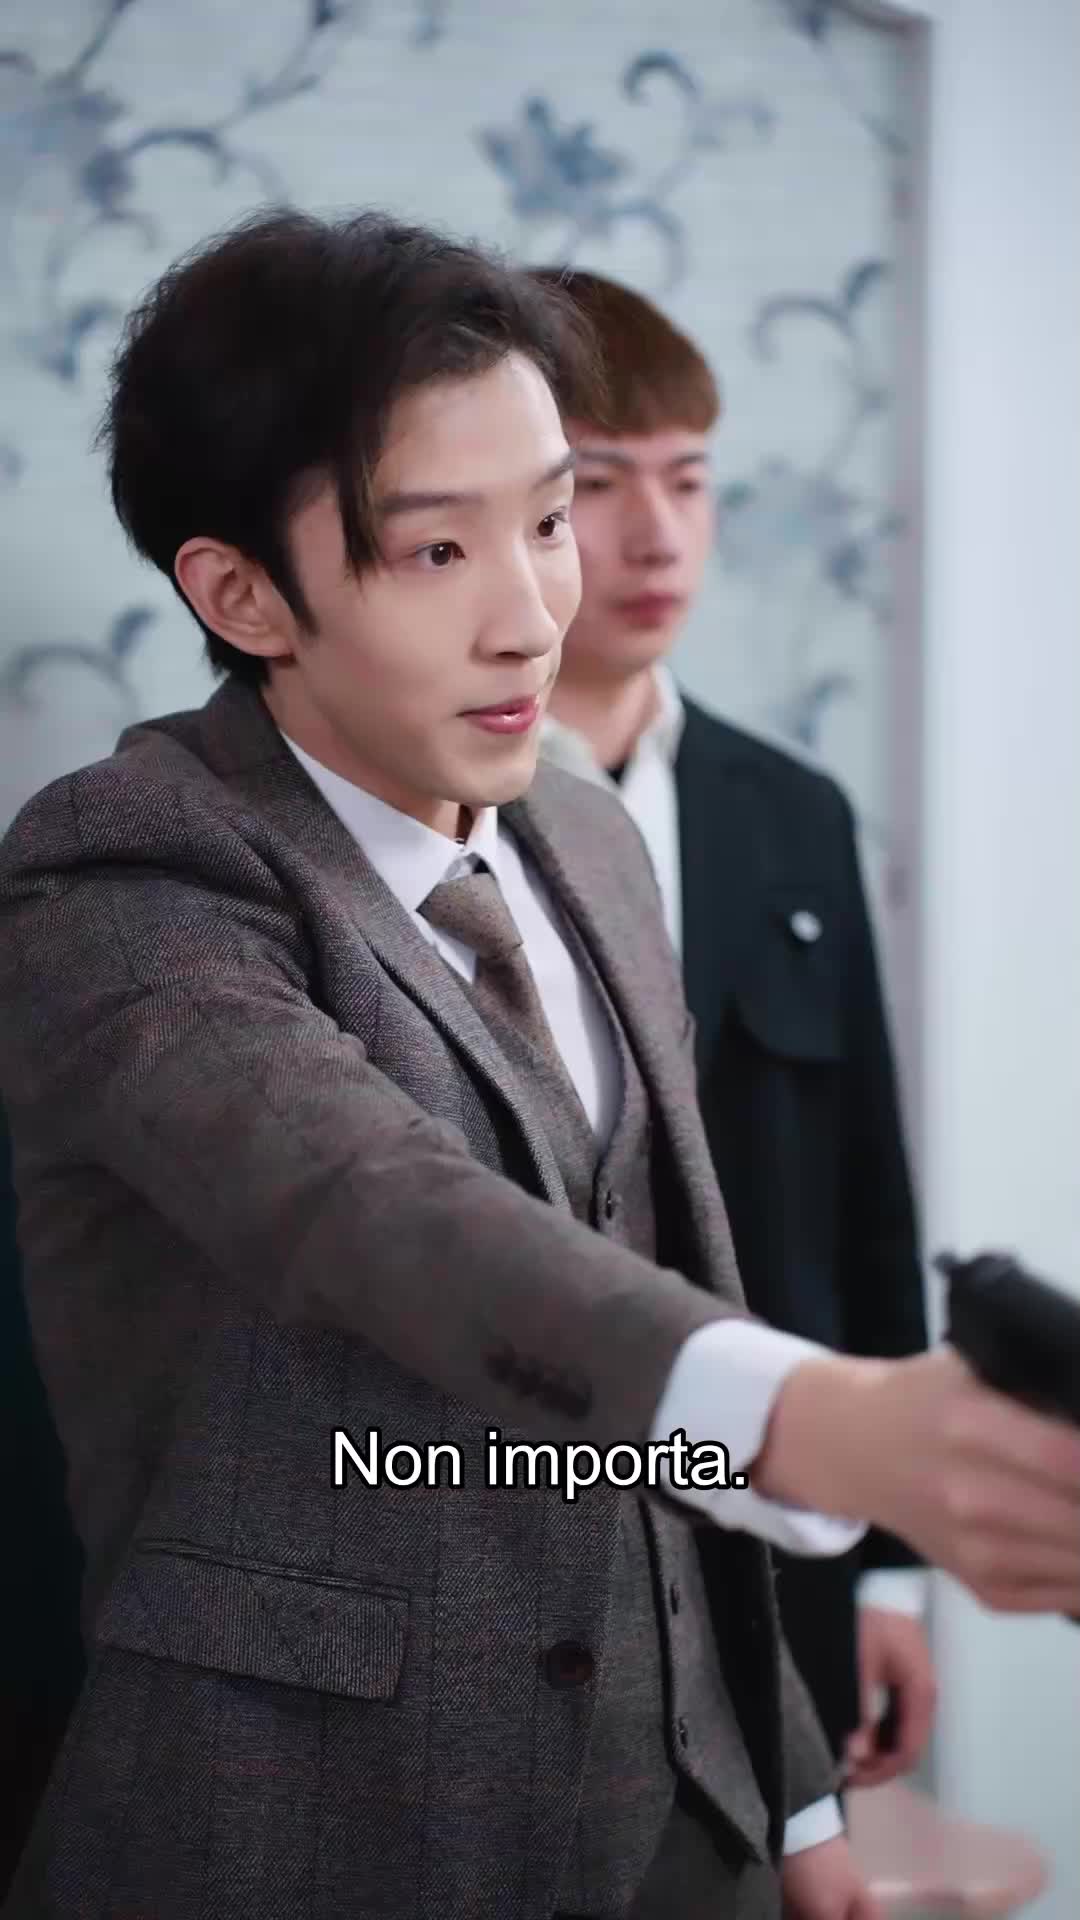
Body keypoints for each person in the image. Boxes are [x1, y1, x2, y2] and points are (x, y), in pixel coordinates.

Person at [2, 213, 1079, 1920]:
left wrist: (796, 1798)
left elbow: (672, 1295)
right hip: (304, 1835)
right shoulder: (125, 870)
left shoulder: (588, 840)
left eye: (550, 520)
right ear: (240, 592)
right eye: (438, 550)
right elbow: (374, 1209)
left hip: (687, 1825)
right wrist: (816, 1421)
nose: (531, 618)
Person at [532, 267, 935, 1784]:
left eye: (690, 481)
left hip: (781, 1522)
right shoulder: (427, 812)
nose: (657, 536)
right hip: (517, 1503)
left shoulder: (789, 815)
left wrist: (891, 1568)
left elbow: (865, 1198)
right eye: (597, 485)